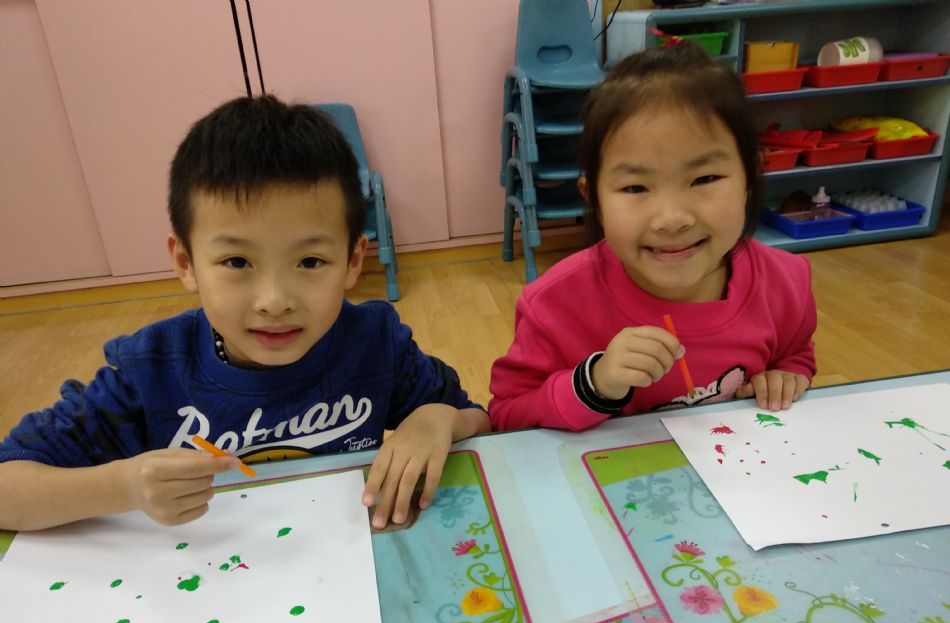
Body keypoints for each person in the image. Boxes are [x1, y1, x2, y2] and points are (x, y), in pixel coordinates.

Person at [0, 95, 488, 532]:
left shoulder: (375, 344)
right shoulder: (150, 371)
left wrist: (435, 419)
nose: (274, 300)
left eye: (310, 262)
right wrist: (124, 486)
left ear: (353, 261)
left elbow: (481, 423)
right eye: (237, 262)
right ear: (186, 263)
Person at [489, 41, 817, 433]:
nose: (671, 219)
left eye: (704, 179)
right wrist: (593, 384)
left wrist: (785, 376)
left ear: (749, 177)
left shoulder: (786, 283)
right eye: (635, 187)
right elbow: (506, 415)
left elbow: (795, 356)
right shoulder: (554, 305)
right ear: (593, 198)